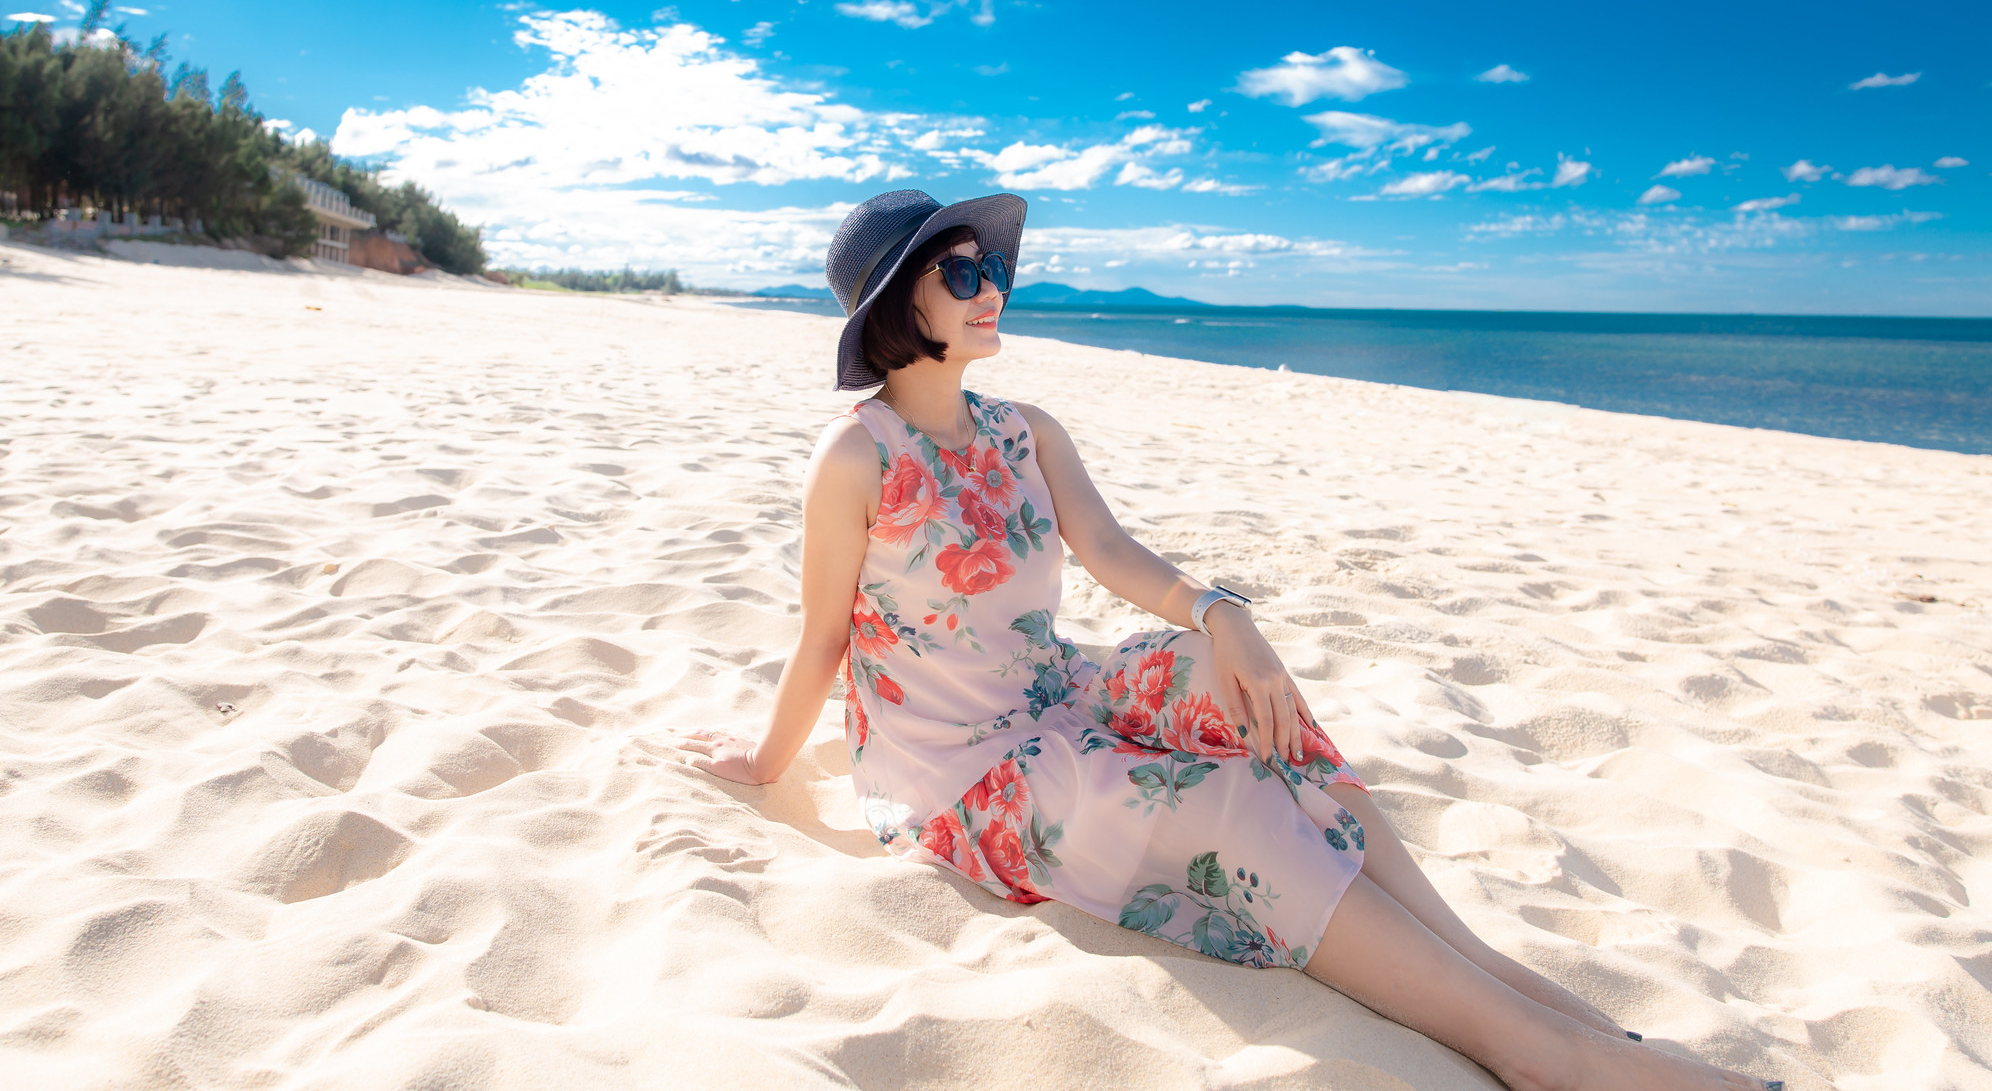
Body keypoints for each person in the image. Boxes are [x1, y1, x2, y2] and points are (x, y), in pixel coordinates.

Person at [678, 190, 1786, 1091]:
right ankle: (1532, 1048)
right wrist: (764, 764)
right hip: (964, 775)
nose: (991, 288)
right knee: (1229, 803)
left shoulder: (1024, 429)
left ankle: (1477, 960)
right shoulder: (853, 458)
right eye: (959, 272)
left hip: (1057, 691)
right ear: (892, 305)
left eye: (993, 269)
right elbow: (824, 636)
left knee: (1231, 682)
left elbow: (1112, 552)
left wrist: (1223, 611)